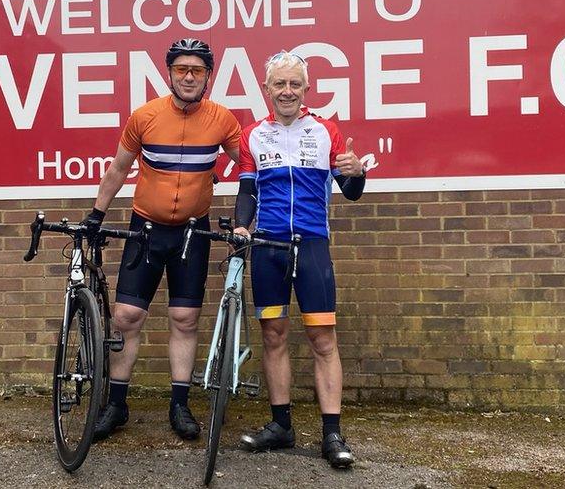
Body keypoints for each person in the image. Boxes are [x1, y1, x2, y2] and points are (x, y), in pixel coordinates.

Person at [82, 38, 242, 442]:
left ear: (208, 76)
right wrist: (96, 215)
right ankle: (116, 405)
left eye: (198, 70)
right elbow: (118, 169)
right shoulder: (145, 116)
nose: (189, 77)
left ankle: (180, 405)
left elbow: (256, 166)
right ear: (169, 73)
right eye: (181, 69)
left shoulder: (223, 120)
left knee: (184, 319)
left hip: (192, 233)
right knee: (126, 317)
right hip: (146, 230)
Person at [233, 51, 365, 468]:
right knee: (273, 334)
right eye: (279, 84)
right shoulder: (252, 134)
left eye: (295, 84)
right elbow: (247, 191)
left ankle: (332, 434)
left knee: (322, 339)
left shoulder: (327, 131)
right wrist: (241, 226)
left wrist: (357, 171)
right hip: (268, 246)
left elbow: (351, 190)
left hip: (311, 246)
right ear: (267, 89)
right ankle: (281, 425)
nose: (287, 91)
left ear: (306, 89)